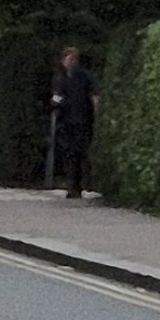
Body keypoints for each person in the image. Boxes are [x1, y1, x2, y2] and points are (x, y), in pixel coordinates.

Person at [52, 43, 99, 202]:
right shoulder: (61, 79)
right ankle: (73, 187)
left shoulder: (85, 77)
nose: (70, 62)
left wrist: (95, 110)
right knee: (69, 153)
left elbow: (93, 94)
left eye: (73, 59)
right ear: (63, 61)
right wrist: (56, 105)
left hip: (83, 120)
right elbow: (56, 96)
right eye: (67, 59)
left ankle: (84, 183)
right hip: (66, 121)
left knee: (81, 152)